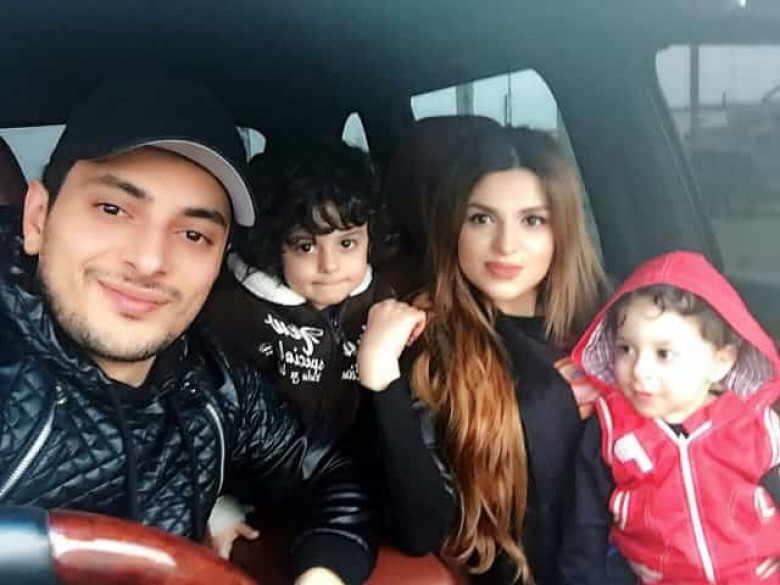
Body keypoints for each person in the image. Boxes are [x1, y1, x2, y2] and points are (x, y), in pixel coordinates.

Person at [0, 78, 376, 585]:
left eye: (194, 234)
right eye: (112, 209)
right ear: (37, 219)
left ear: (220, 261)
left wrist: (323, 572)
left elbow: (330, 473)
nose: (149, 260)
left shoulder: (215, 387)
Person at [357, 125, 607, 584]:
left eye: (533, 220)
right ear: (453, 227)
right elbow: (420, 528)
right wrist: (380, 377)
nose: (506, 245)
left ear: (563, 229)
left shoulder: (618, 325)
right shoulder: (430, 344)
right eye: (481, 219)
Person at [559, 250, 780, 584]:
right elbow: (584, 530)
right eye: (625, 349)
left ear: (720, 362)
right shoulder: (609, 432)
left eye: (664, 354)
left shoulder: (755, 427)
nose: (639, 370)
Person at [206, 138, 393, 440]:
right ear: (274, 247)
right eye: (306, 247)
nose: (329, 266)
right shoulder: (238, 316)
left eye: (347, 243)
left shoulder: (383, 305)